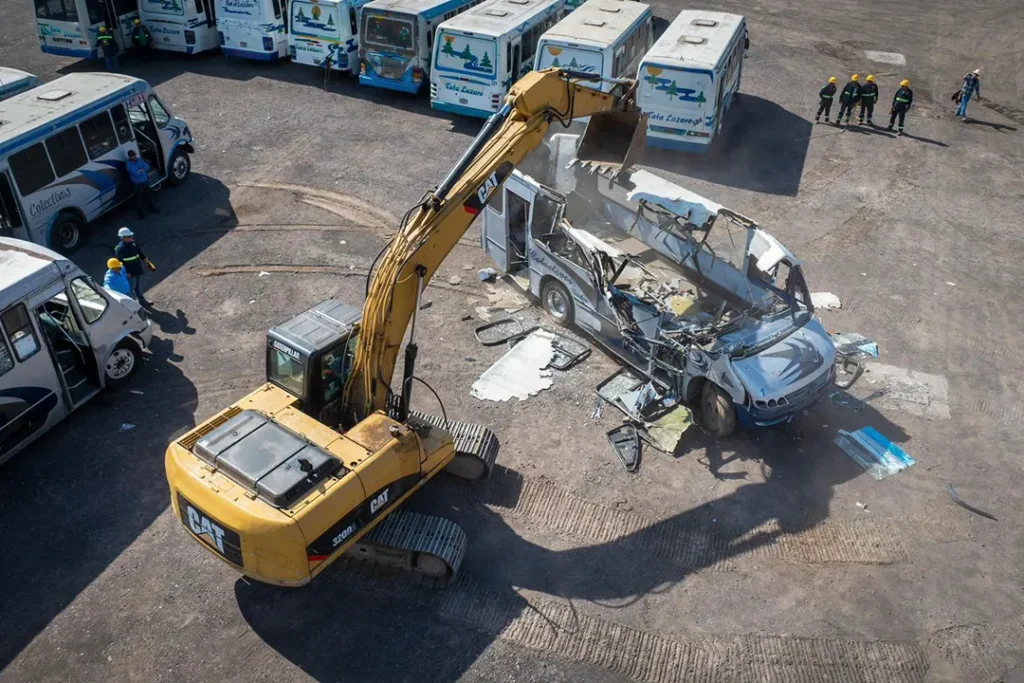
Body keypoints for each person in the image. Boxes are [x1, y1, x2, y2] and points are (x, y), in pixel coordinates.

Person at [114, 227, 156, 306]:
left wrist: (148, 262)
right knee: (130, 289)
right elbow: (120, 263)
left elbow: (140, 253)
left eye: (131, 236)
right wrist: (126, 272)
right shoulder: (120, 249)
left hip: (137, 270)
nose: (131, 237)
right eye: (129, 236)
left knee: (138, 287)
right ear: (124, 238)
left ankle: (142, 302)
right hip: (130, 273)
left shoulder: (134, 244)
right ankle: (132, 305)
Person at [125, 149, 159, 219]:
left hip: (145, 181)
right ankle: (141, 215)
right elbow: (135, 173)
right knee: (138, 199)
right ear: (129, 156)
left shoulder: (139, 160)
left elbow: (147, 166)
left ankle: (153, 209)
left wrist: (140, 170)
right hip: (137, 184)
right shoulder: (128, 165)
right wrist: (142, 170)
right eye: (132, 155)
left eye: (134, 154)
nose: (134, 156)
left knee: (149, 196)